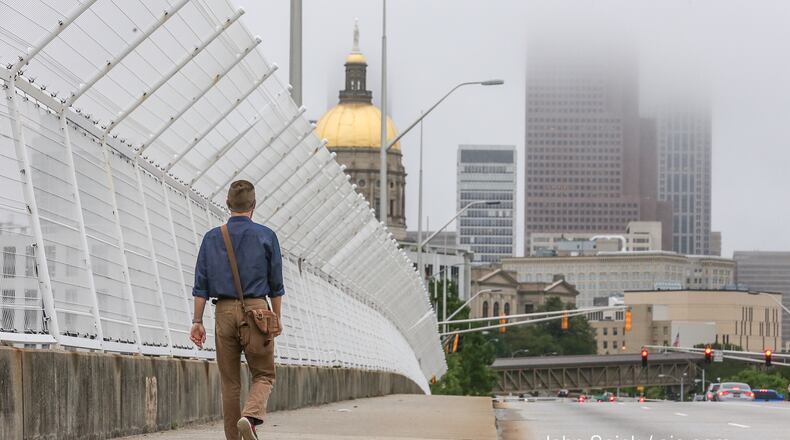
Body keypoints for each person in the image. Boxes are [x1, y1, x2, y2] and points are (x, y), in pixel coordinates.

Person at [190, 180, 284, 440]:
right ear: (254, 205)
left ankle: (233, 437)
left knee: (230, 383)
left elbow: (201, 286)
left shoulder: (211, 237)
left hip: (224, 312)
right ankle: (251, 416)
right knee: (264, 374)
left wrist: (197, 321)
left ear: (228, 204)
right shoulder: (266, 236)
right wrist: (276, 317)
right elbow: (276, 286)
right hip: (258, 312)